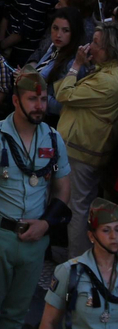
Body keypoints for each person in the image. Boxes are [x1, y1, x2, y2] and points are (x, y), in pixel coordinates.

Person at [0, 70, 72, 329]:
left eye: (43, 101)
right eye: (32, 100)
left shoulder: (54, 140)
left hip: (35, 240)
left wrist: (45, 225)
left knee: (16, 316)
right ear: (16, 101)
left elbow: (63, 190)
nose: (39, 107)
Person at [55, 19, 118, 256]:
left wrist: (76, 64)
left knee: (78, 210)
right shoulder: (105, 73)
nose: (89, 46)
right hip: (81, 149)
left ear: (108, 49)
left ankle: (78, 262)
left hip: (82, 153)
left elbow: (63, 93)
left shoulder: (107, 81)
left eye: (96, 43)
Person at [40, 199, 118, 329]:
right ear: (91, 236)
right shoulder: (70, 271)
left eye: (117, 229)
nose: (113, 236)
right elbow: (48, 322)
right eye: (106, 230)